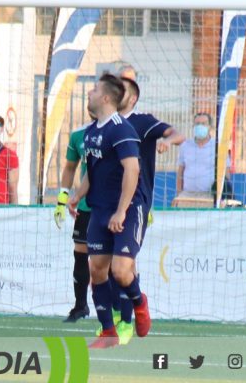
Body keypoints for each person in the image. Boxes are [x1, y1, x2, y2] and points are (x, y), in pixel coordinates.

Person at [67, 74, 151, 349]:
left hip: (126, 209)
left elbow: (133, 169)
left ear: (105, 98)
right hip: (100, 209)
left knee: (122, 272)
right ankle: (108, 332)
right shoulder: (91, 131)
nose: (88, 94)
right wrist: (77, 195)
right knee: (98, 271)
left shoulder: (121, 129)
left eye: (93, 90)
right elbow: (94, 170)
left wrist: (121, 212)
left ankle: (139, 302)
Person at [103, 75, 184, 344]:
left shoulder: (143, 121)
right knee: (107, 269)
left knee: (122, 268)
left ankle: (132, 313)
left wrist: (166, 142)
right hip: (105, 203)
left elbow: (177, 133)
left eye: (121, 89)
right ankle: (120, 318)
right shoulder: (104, 125)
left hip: (135, 202)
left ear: (132, 97)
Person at [53, 117, 94, 324]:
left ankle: (119, 311)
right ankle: (80, 306)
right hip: (85, 206)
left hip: (112, 207)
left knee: (113, 261)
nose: (90, 99)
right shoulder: (79, 134)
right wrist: (62, 198)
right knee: (80, 254)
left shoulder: (120, 130)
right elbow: (70, 167)